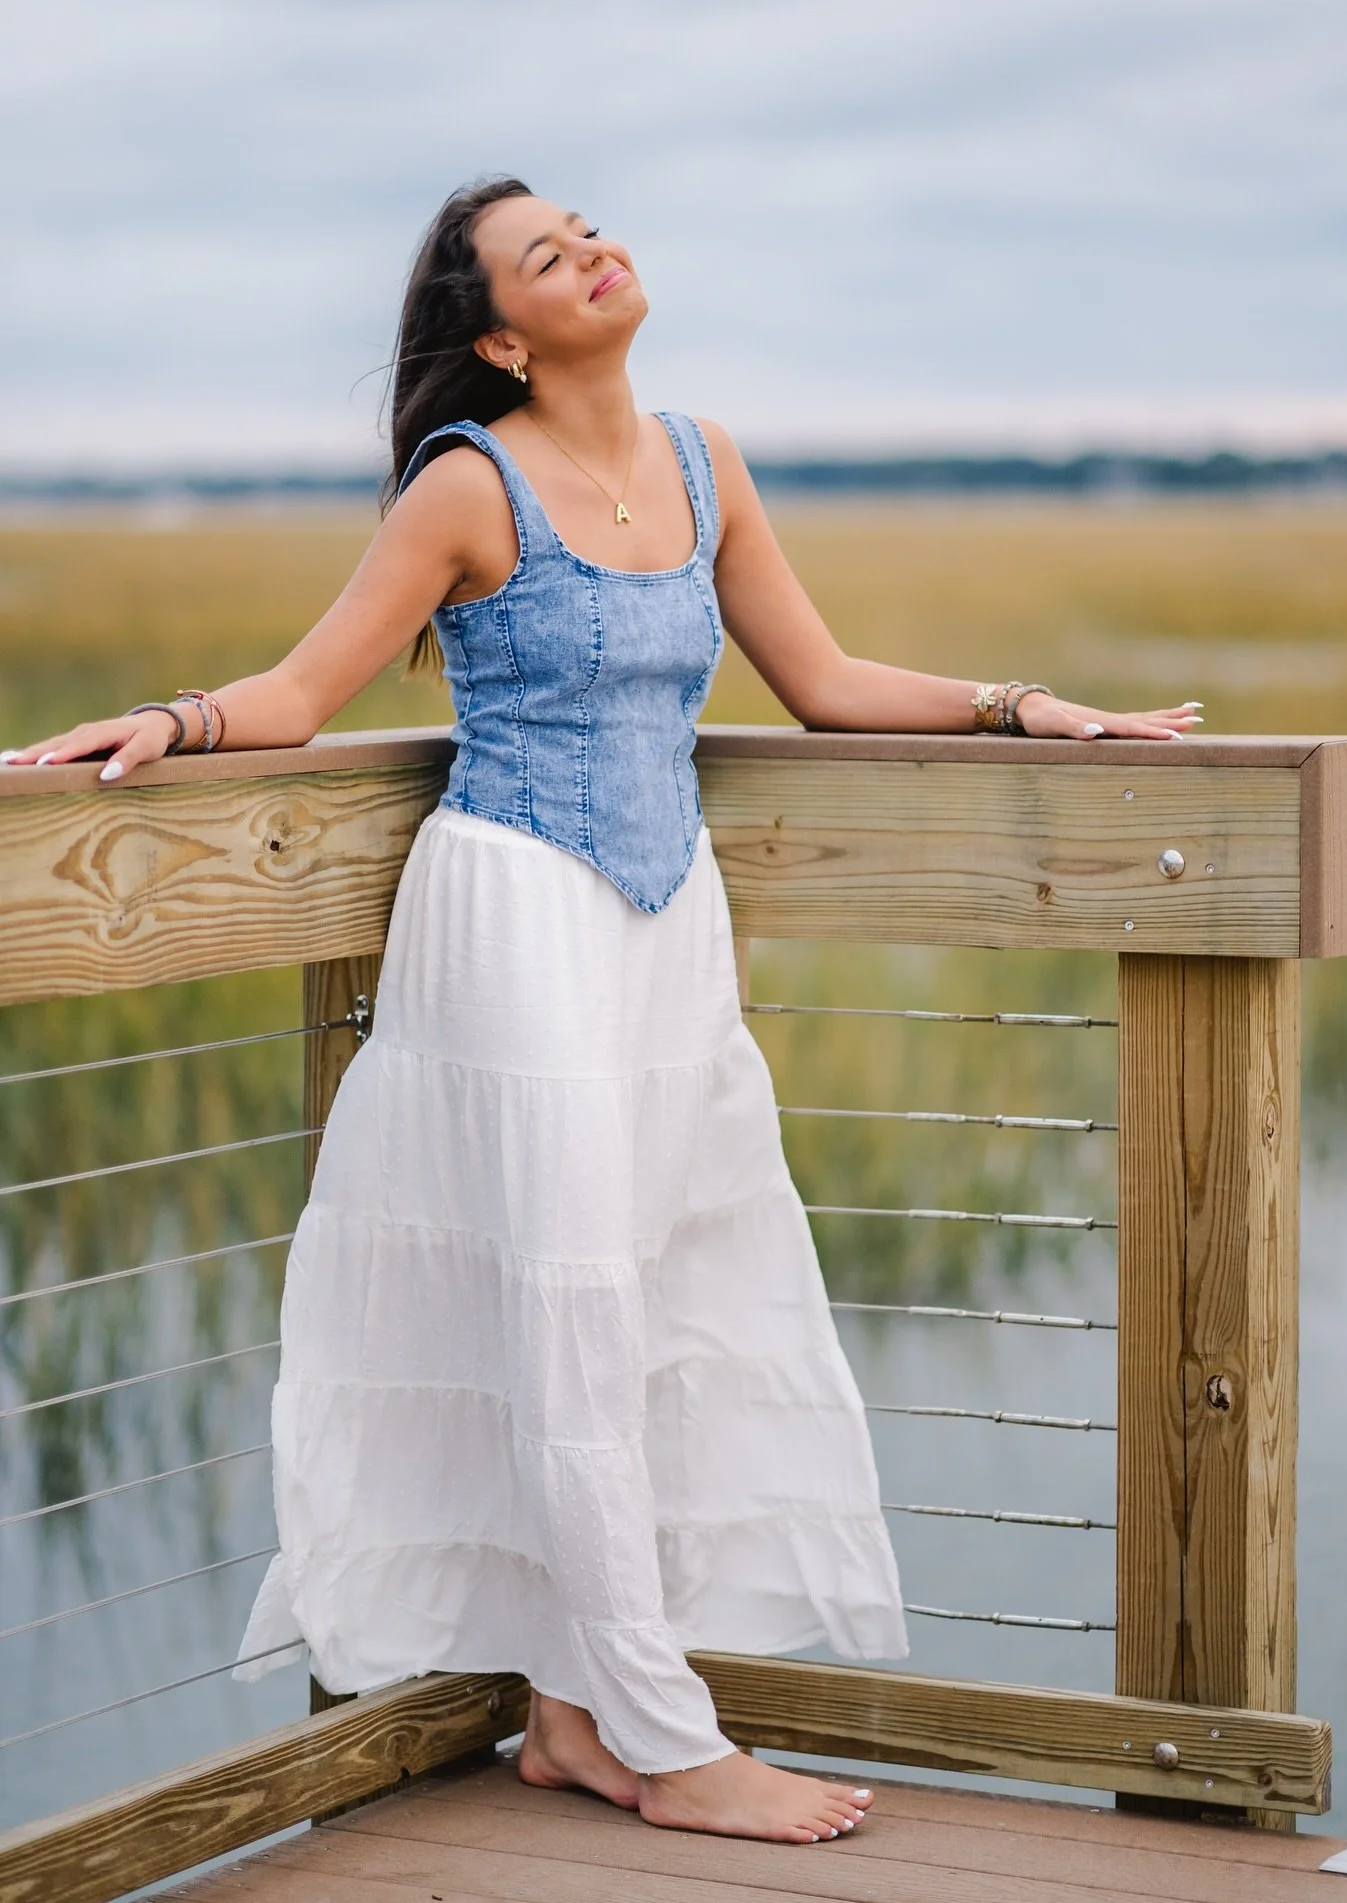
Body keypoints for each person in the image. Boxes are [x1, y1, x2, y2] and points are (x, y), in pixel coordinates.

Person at [0, 177, 1199, 1845]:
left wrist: (1029, 708)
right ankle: (667, 1734)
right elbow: (302, 686)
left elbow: (830, 684)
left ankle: (569, 1717)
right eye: (547, 258)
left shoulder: (708, 461)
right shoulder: (464, 486)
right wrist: (168, 720)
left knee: (647, 1298)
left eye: (589, 231)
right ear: (499, 333)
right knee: (567, 1311)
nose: (593, 254)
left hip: (667, 923)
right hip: (515, 920)